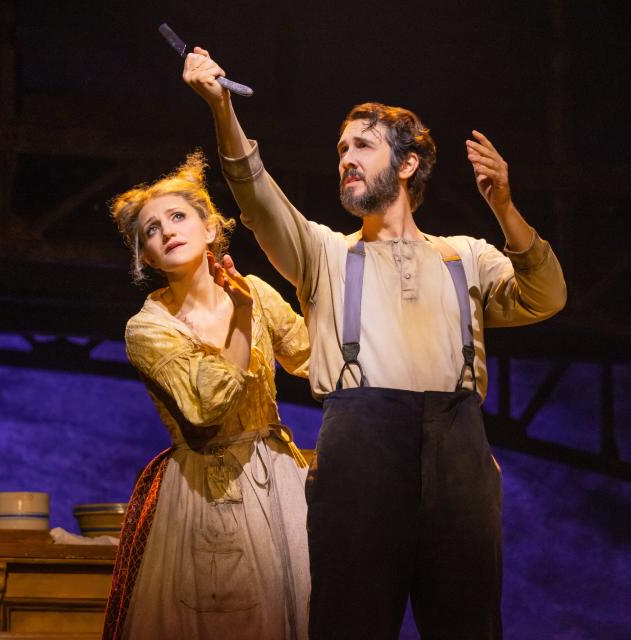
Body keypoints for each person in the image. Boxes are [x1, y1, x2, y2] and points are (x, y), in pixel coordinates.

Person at [182, 48, 567, 639]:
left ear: (408, 165)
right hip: (361, 453)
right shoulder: (327, 255)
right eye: (341, 150)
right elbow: (257, 198)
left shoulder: (466, 256)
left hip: (458, 453)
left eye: (362, 146)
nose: (346, 160)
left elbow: (547, 296)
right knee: (349, 623)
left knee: (469, 624)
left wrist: (505, 209)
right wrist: (221, 108)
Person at [102, 151, 312, 640]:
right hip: (208, 490)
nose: (167, 231)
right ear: (147, 258)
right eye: (151, 231)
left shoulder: (254, 290)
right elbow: (207, 407)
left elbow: (313, 357)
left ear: (211, 229)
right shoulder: (148, 328)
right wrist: (239, 319)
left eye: (178, 217)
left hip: (278, 480)